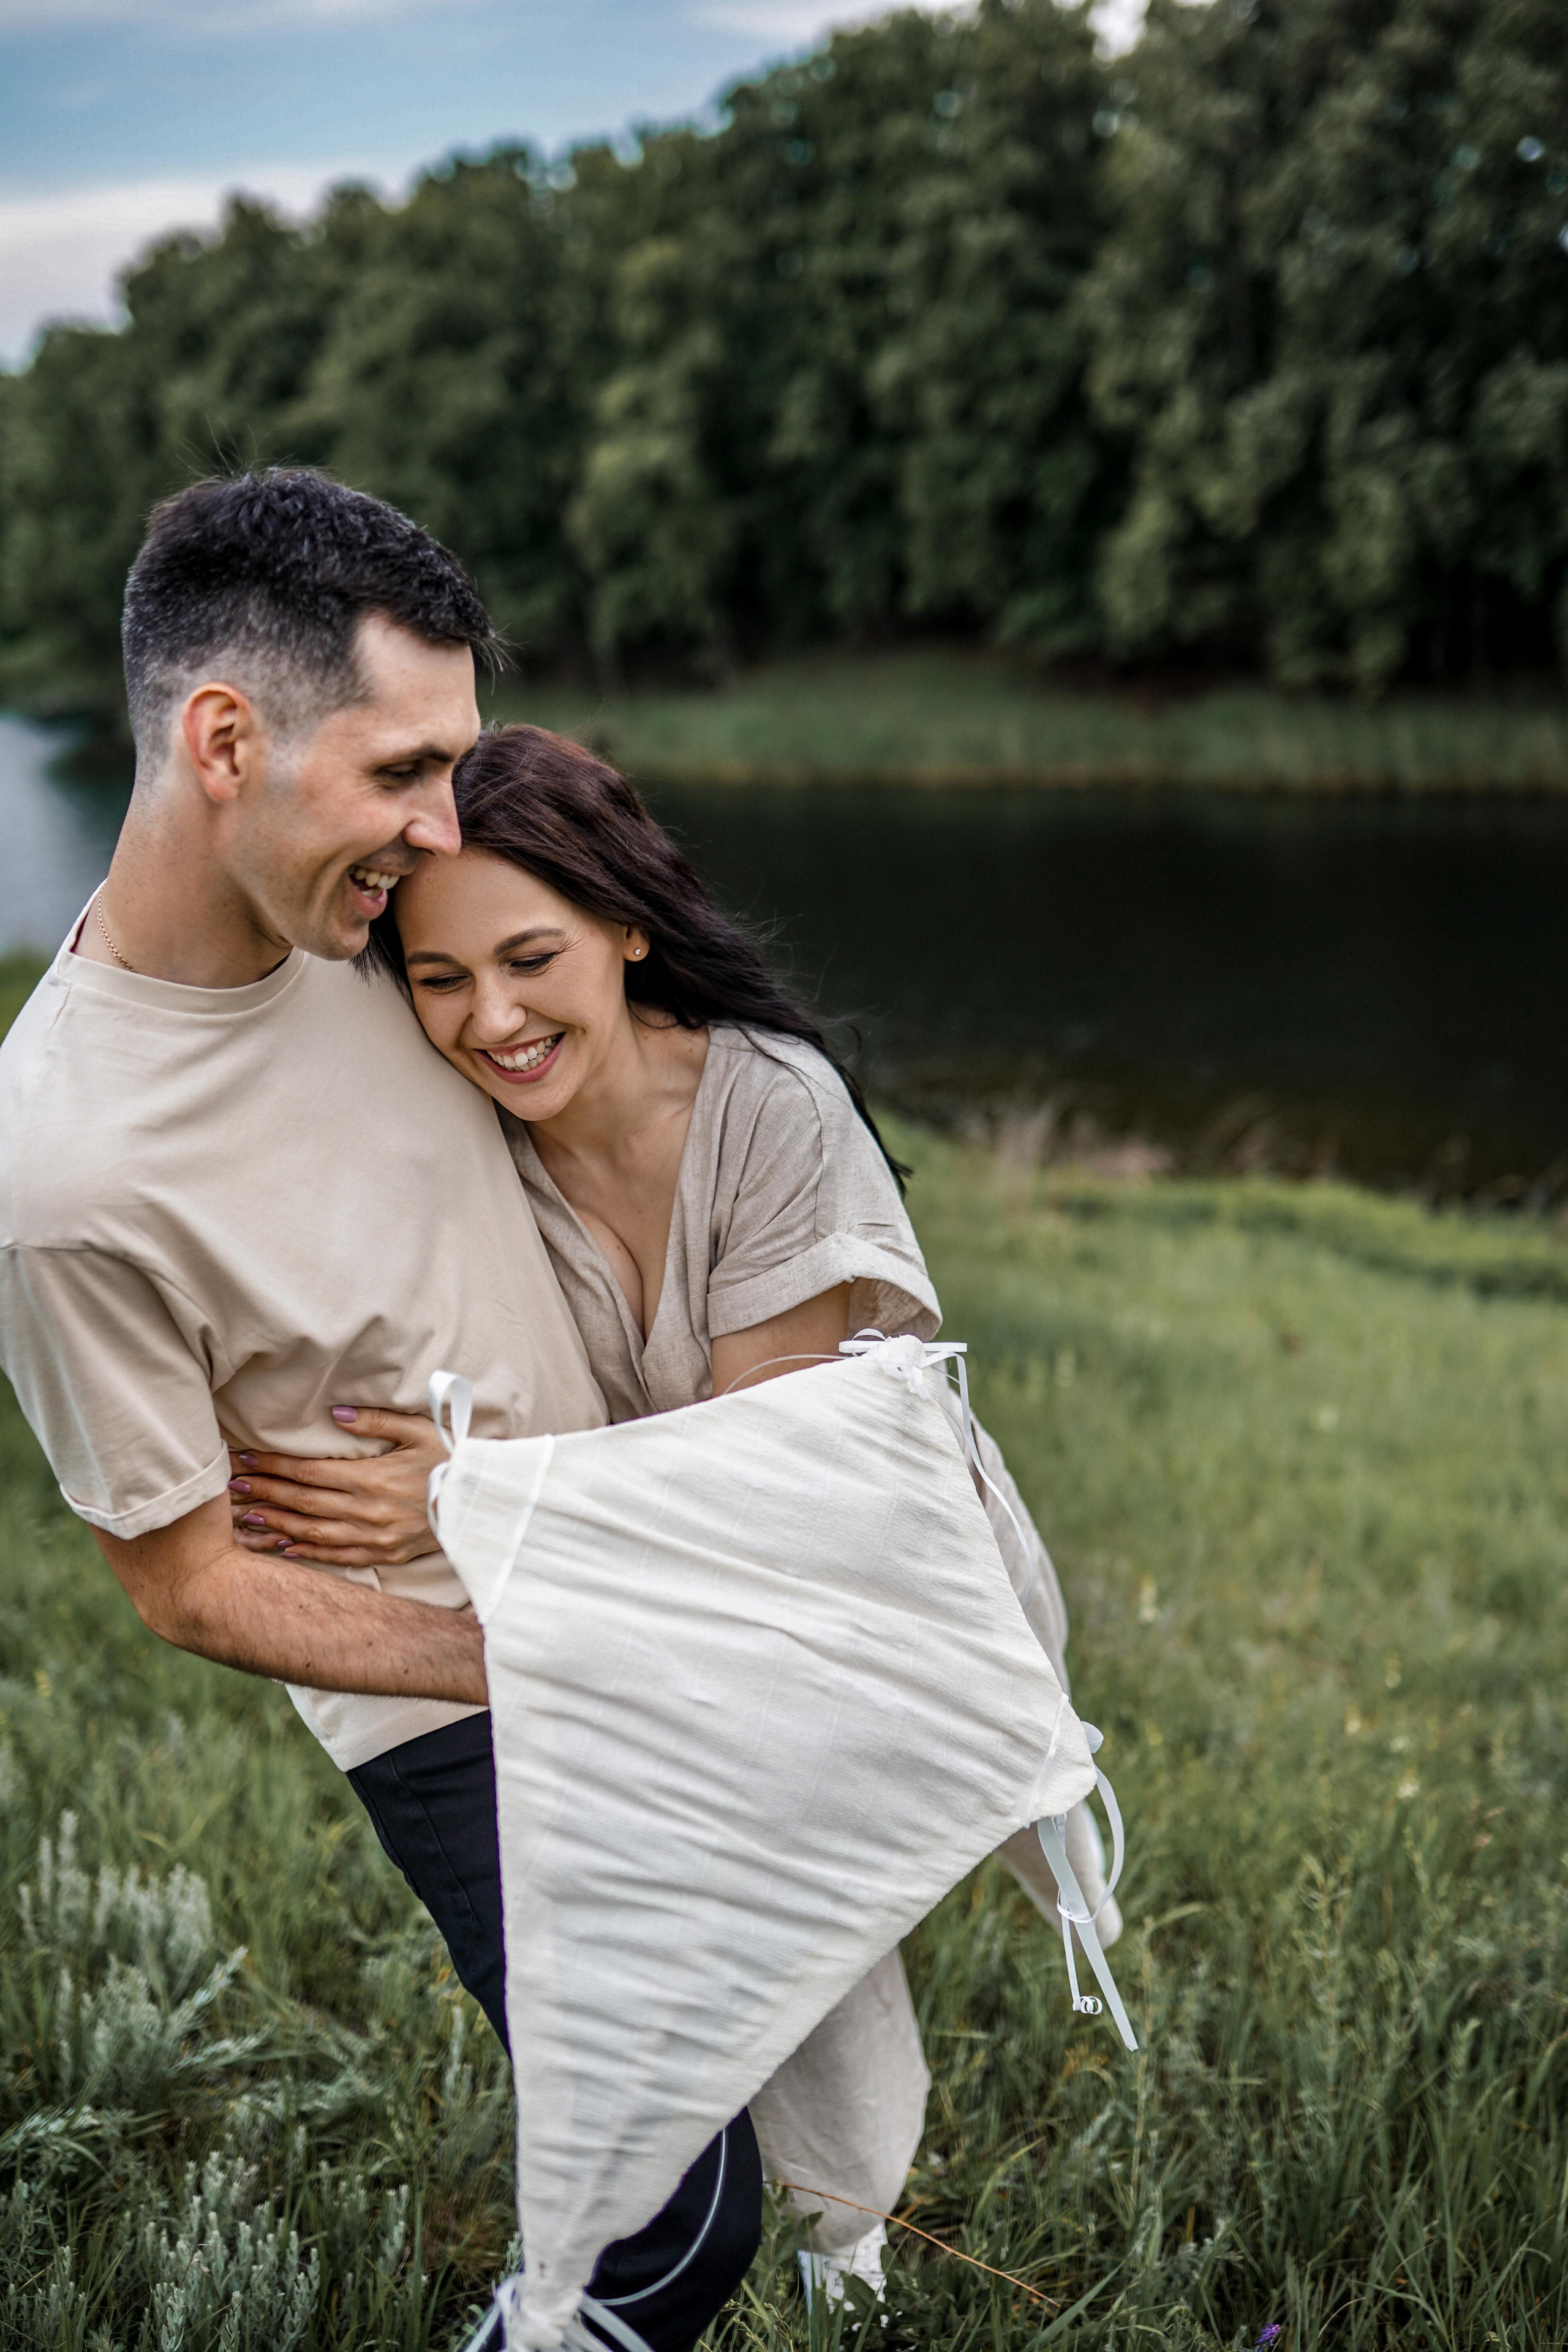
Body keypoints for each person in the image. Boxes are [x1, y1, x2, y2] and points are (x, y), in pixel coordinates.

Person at [0, 473, 761, 2351]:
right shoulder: (67, 1169)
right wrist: (531, 1650)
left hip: (660, 1553)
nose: (444, 823)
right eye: (405, 768)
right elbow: (183, 1586)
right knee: (667, 2223)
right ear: (225, 739)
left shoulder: (391, 922)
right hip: (460, 1701)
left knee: (788, 2034)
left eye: (458, 765)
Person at [228, 722, 1122, 2305]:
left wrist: (460, 1494)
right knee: (650, 2077)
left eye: (530, 957)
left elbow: (754, 1487)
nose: (492, 1018)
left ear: (629, 925)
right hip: (613, 1624)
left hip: (832, 1597)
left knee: (738, 1996)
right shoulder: (459, 1146)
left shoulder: (770, 1108)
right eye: (440, 980)